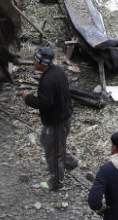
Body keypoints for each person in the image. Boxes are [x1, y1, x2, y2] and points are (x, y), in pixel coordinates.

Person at [21, 46, 78, 190]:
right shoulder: (57, 71)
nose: (33, 62)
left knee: (53, 150)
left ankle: (57, 182)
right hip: (61, 116)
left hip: (57, 121)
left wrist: (28, 98)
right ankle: (70, 162)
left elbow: (44, 103)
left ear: (42, 63)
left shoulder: (47, 81)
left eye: (36, 60)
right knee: (47, 141)